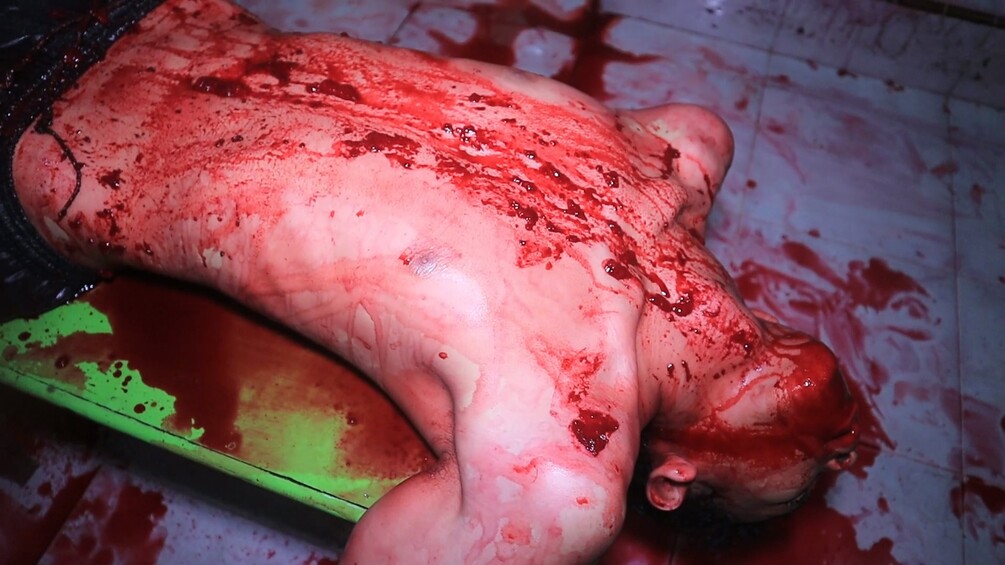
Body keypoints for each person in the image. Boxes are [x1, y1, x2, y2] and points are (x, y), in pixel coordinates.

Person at [2, 0, 859, 562]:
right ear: (668, 482)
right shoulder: (559, 477)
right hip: (56, 118)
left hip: (126, 40)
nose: (830, 435)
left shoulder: (686, 149)